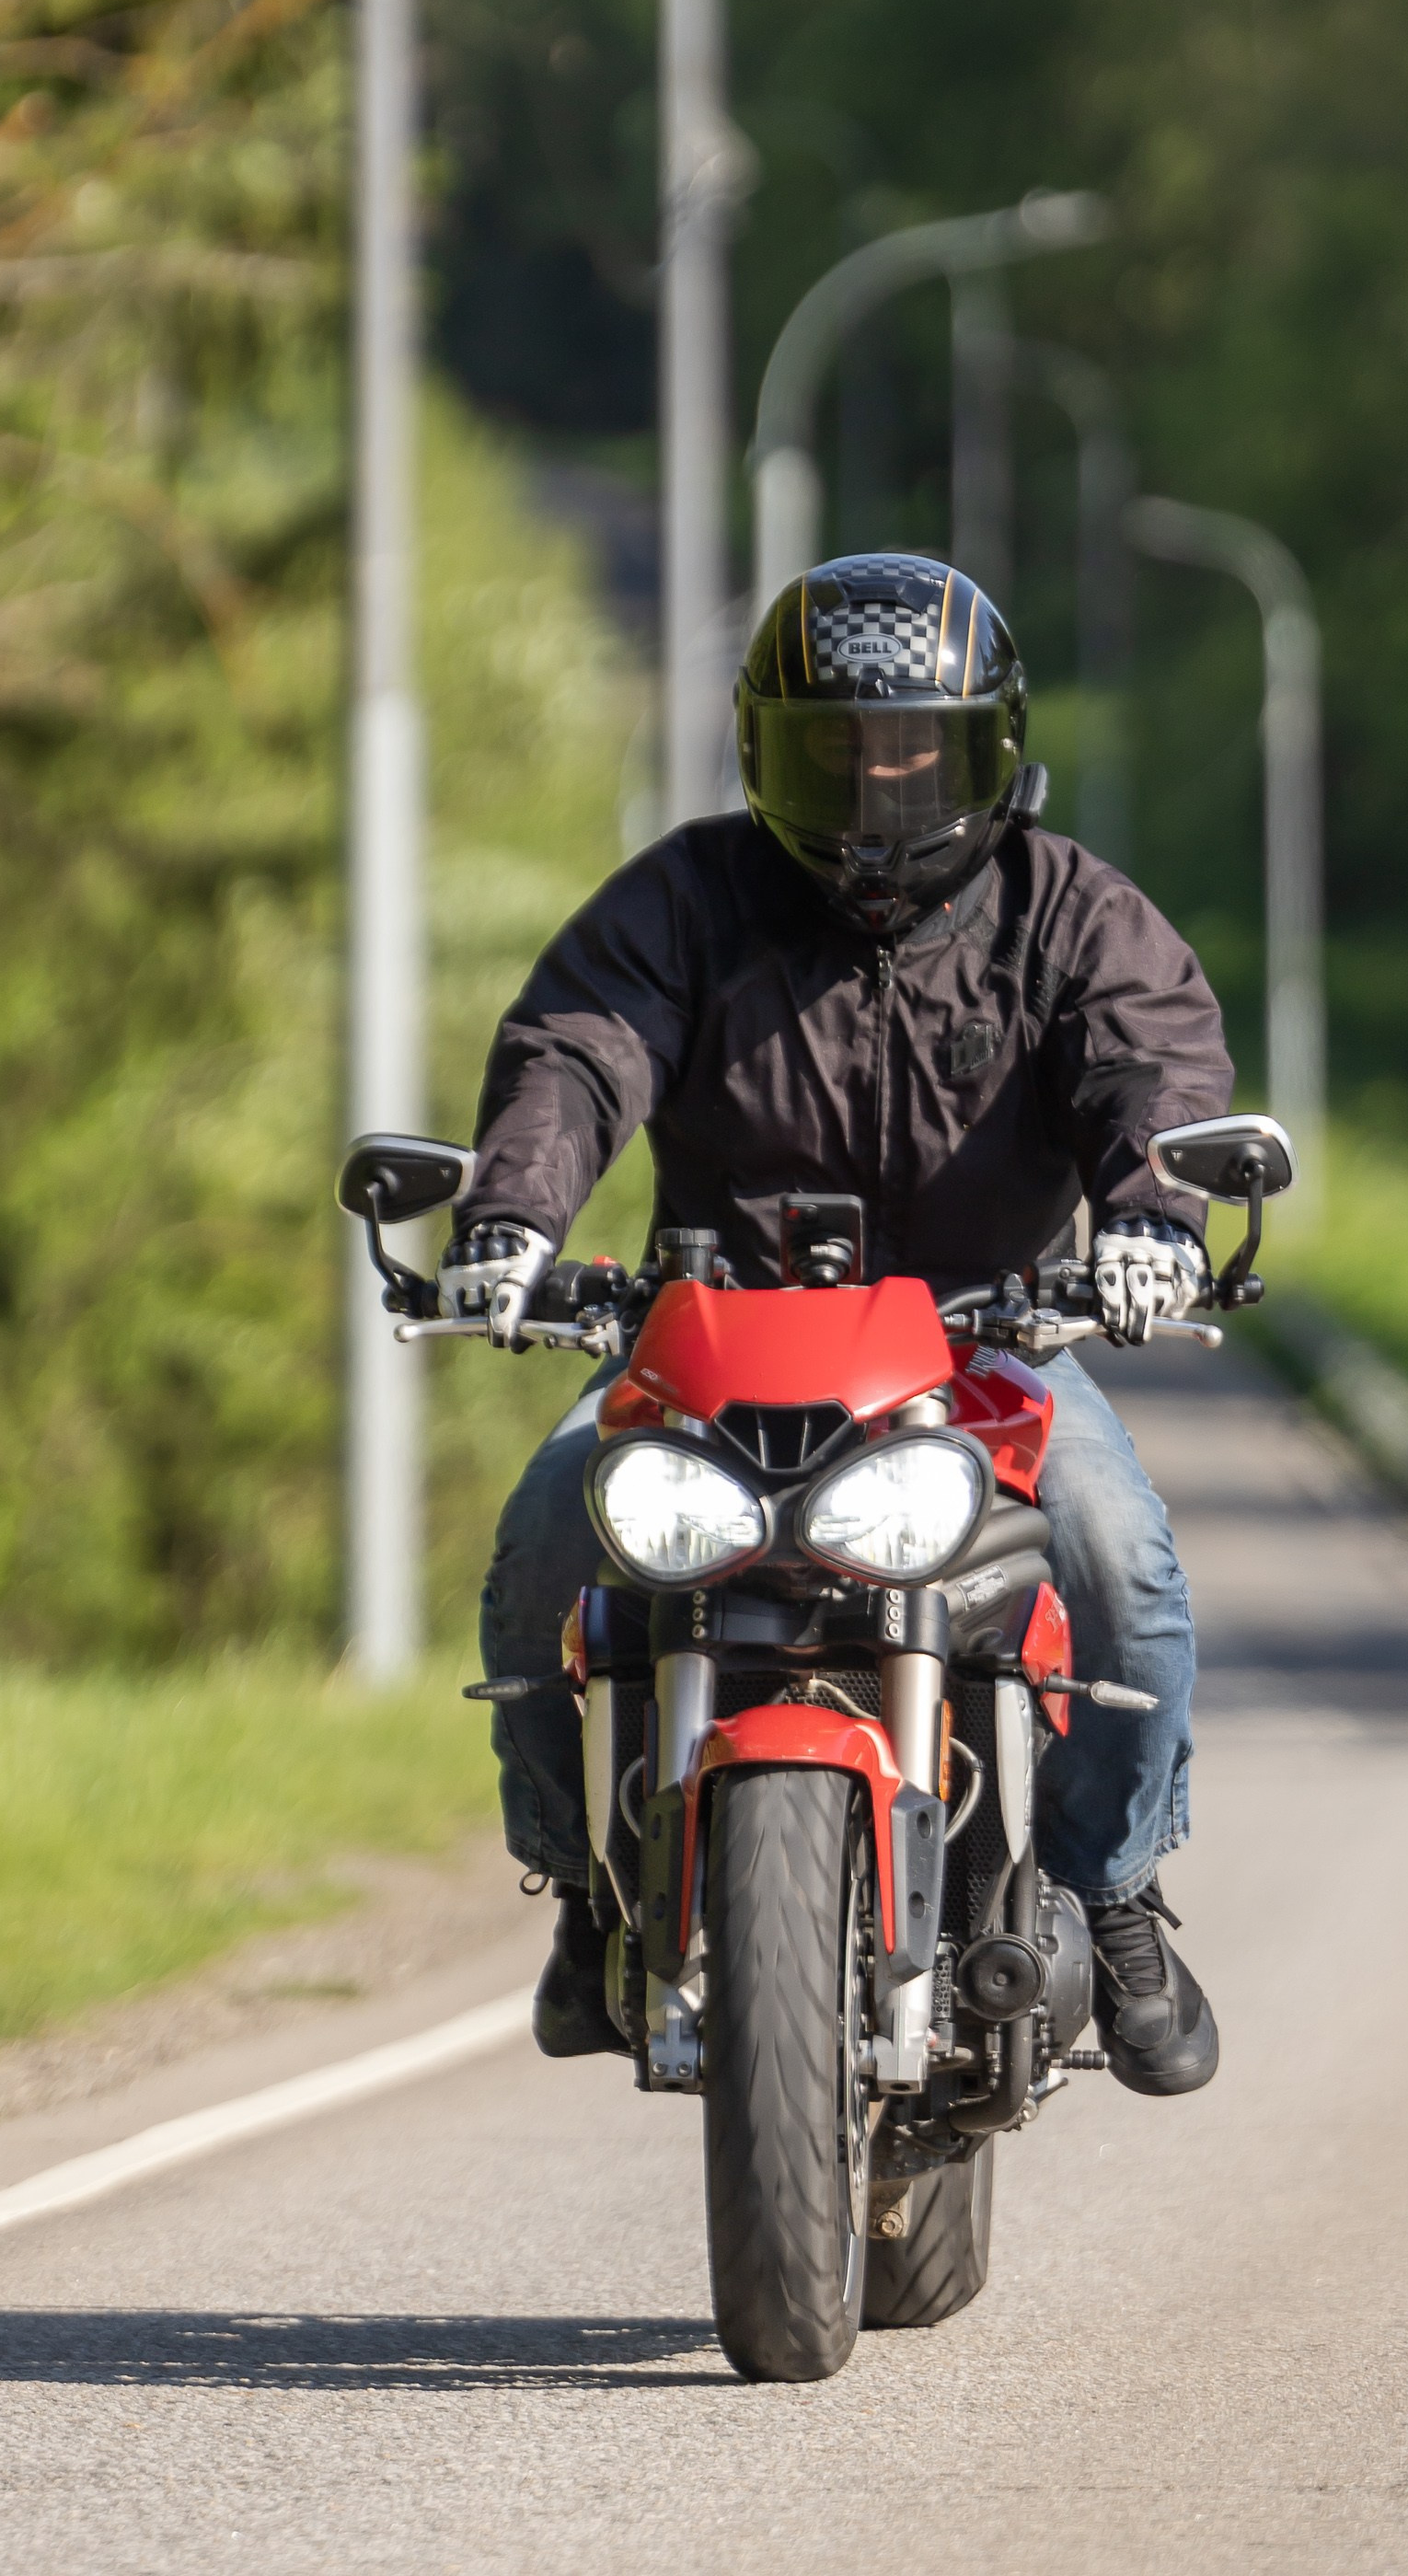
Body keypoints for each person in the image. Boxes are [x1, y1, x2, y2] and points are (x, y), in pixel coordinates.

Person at [456, 554, 1232, 2097]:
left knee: (1118, 1563)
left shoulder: (1066, 911)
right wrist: (509, 1221)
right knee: (553, 1526)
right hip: (710, 1349)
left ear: (992, 750)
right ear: (767, 752)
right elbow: (579, 1047)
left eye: (917, 755)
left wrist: (1152, 1220)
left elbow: (1151, 1066)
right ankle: (585, 1886)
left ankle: (1114, 1886)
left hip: (982, 1355)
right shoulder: (686, 899)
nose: (881, 794)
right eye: (840, 754)